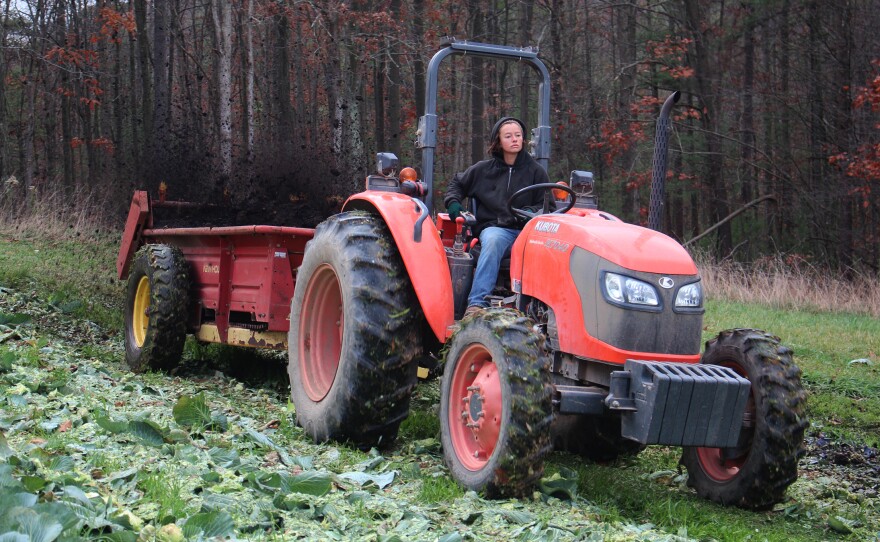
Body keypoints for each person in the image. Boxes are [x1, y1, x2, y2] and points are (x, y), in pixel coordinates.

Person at [444, 116, 551, 317]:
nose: (515, 140)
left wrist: (530, 212)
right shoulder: (483, 170)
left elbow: (547, 205)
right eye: (508, 136)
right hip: (496, 229)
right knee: (493, 239)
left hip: (527, 231)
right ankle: (477, 303)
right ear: (498, 141)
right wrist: (454, 203)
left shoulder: (536, 172)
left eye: (518, 135)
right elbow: (456, 184)